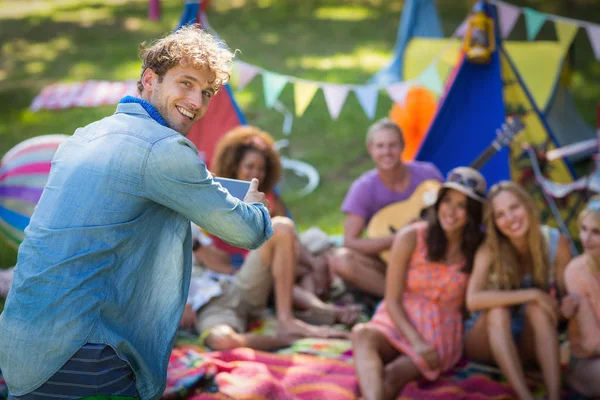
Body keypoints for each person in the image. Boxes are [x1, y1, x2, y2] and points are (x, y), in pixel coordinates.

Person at [0, 25, 273, 400]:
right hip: (83, 354)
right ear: (150, 79)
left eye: (206, 92)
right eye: (186, 83)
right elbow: (248, 232)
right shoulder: (165, 150)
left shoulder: (83, 136)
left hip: (20, 350)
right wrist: (256, 206)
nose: (196, 101)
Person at [351, 167, 487, 400]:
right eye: (447, 202)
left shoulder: (477, 251)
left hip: (439, 330)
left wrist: (424, 344)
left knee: (393, 374)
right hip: (398, 318)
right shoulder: (412, 236)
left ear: (472, 214)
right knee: (363, 333)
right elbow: (392, 299)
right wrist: (415, 340)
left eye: (461, 206)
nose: (451, 212)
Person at [463, 181, 572, 400]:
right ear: (493, 222)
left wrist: (566, 306)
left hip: (529, 340)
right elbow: (472, 300)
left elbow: (562, 302)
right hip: (485, 340)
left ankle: (554, 395)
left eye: (514, 207)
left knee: (538, 310)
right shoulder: (489, 249)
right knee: (498, 311)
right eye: (500, 215)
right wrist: (533, 294)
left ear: (528, 205)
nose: (511, 218)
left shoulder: (554, 242)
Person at [210, 125, 342, 303]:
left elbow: (290, 236)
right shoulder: (222, 198)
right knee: (302, 264)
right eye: (249, 166)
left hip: (283, 259)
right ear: (234, 167)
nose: (255, 173)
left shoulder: (270, 197)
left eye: (261, 168)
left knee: (318, 242)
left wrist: (312, 263)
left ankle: (319, 301)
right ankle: (320, 305)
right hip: (248, 270)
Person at [327, 118, 443, 298]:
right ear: (370, 149)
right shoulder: (363, 187)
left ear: (403, 146)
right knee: (341, 260)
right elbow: (350, 242)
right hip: (387, 263)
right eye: (380, 146)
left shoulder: (428, 174)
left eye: (392, 145)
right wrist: (397, 238)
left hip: (433, 256)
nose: (387, 152)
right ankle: (403, 299)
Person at [561, 196, 600, 398]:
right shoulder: (575, 271)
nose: (586, 238)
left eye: (596, 232)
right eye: (583, 229)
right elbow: (591, 342)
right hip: (587, 360)